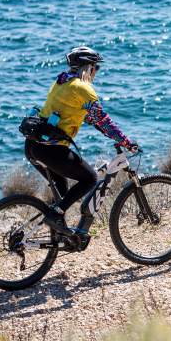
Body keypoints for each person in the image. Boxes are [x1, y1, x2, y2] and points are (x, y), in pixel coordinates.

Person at [26, 46, 138, 248]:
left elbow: (87, 117)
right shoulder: (82, 88)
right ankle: (56, 218)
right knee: (90, 179)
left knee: (62, 192)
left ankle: (58, 236)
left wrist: (104, 129)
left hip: (33, 146)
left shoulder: (62, 81)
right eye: (97, 68)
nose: (97, 72)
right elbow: (103, 120)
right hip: (51, 150)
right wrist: (126, 141)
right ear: (89, 67)